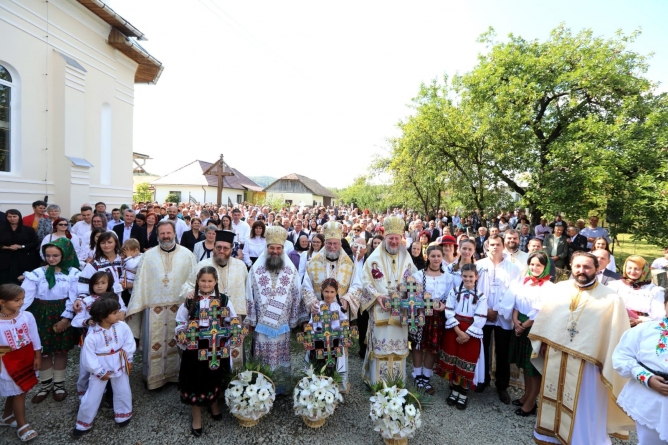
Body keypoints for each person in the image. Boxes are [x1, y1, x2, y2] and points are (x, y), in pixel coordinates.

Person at [529, 252, 633, 444]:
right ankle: (551, 436)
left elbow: (614, 336)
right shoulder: (560, 289)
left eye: (587, 267)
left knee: (584, 405)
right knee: (553, 394)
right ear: (571, 266)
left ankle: (583, 439)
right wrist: (543, 342)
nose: (581, 271)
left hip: (589, 364)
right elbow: (548, 318)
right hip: (556, 356)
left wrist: (605, 359)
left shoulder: (611, 298)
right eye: (577, 266)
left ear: (597, 269)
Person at [126, 220, 197, 390]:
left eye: (168, 233)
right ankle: (154, 379)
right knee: (154, 344)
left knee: (177, 341)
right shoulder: (148, 256)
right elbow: (140, 283)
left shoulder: (188, 255)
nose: (166, 236)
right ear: (157, 235)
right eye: (162, 233)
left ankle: (176, 375)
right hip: (154, 309)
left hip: (178, 308)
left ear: (175, 234)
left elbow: (193, 281)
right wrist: (137, 305)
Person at [176, 266, 236, 437]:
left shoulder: (224, 300)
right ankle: (196, 415)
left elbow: (232, 320)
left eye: (210, 281)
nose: (206, 284)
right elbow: (180, 321)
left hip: (216, 344)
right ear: (197, 281)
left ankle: (214, 403)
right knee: (195, 379)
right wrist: (183, 334)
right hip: (195, 346)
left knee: (214, 375)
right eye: (203, 281)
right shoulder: (190, 301)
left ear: (215, 282)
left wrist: (231, 333)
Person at [301, 221, 362, 391]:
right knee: (318, 347)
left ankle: (338, 384)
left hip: (339, 315)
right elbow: (305, 286)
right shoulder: (313, 262)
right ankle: (314, 382)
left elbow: (357, 286)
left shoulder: (349, 264)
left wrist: (347, 299)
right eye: (329, 243)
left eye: (335, 243)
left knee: (338, 348)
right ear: (324, 243)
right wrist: (312, 301)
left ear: (340, 243)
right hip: (319, 316)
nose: (332, 246)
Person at [21, 238, 80, 403]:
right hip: (40, 314)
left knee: (61, 350)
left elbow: (74, 296)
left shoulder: (73, 273)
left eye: (55, 255)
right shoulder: (37, 273)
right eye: (48, 255)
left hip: (63, 312)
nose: (51, 259)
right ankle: (45, 384)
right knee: (43, 349)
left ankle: (59, 384)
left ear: (64, 254)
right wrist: (17, 316)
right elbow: (25, 297)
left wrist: (66, 318)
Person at [245, 226, 303, 393]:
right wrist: (251, 318)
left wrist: (294, 318)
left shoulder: (291, 269)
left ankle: (280, 387)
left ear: (283, 249)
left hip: (282, 324)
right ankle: (261, 387)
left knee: (281, 355)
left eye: (278, 248)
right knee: (262, 356)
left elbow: (296, 294)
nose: (275, 251)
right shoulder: (256, 269)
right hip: (261, 325)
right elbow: (250, 294)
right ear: (267, 248)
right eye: (272, 248)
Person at [361, 216, 418, 383]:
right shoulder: (373, 259)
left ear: (401, 239)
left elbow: (413, 277)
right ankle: (377, 383)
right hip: (381, 311)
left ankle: (396, 382)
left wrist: (411, 289)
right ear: (385, 237)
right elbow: (365, 282)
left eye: (397, 238)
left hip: (400, 311)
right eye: (391, 238)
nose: (394, 241)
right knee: (380, 347)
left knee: (398, 347)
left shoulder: (406, 257)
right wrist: (377, 296)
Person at [181, 230, 248, 368]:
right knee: (211, 353)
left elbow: (248, 290)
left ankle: (234, 381)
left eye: (225, 248)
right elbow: (187, 284)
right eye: (218, 247)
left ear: (231, 249)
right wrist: (189, 291)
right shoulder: (203, 265)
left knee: (235, 352)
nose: (221, 251)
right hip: (209, 319)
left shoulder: (241, 266)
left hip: (234, 318)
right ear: (214, 247)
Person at [73, 295, 135, 437]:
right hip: (100, 367)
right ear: (102, 316)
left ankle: (123, 414)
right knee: (93, 395)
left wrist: (128, 360)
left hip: (119, 363)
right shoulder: (92, 335)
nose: (119, 315)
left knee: (123, 389)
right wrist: (99, 371)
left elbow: (129, 343)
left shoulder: (122, 326)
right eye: (114, 313)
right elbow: (88, 357)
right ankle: (83, 423)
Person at [612, 291, 668, 444]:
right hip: (648, 400)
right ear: (665, 305)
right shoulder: (644, 330)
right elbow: (621, 357)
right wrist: (646, 378)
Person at [507, 252, 553, 417]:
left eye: (538, 265)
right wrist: (515, 319)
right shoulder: (524, 281)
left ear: (545, 267)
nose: (534, 268)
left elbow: (542, 310)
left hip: (534, 328)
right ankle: (526, 394)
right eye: (532, 264)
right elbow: (517, 302)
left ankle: (532, 401)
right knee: (525, 366)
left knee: (533, 366)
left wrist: (525, 325)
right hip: (519, 323)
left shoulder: (548, 286)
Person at [475, 234, 520, 404]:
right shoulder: (479, 266)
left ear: (503, 246)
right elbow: (474, 287)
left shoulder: (512, 268)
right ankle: (482, 380)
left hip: (503, 316)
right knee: (482, 348)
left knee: (502, 351)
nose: (495, 247)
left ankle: (502, 385)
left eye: (498, 244)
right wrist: (485, 310)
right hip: (483, 314)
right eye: (492, 244)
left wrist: (497, 310)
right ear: (487, 247)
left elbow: (513, 291)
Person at [71, 271, 126, 401]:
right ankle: (84, 393)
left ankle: (107, 393)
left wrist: (119, 316)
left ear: (109, 284)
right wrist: (87, 321)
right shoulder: (86, 301)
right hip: (91, 339)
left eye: (103, 283)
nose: (99, 286)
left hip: (111, 338)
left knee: (110, 365)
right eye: (96, 283)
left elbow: (123, 310)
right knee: (86, 367)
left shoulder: (115, 298)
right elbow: (76, 320)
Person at [440, 263, 487, 410]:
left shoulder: (481, 296)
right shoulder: (454, 292)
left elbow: (480, 317)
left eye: (470, 277)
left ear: (476, 277)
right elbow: (448, 311)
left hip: (471, 333)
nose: (467, 279)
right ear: (461, 276)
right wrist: (459, 331)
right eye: (465, 276)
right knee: (454, 360)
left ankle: (463, 393)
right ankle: (454, 390)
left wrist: (466, 334)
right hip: (455, 330)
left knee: (467, 361)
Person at [0, 284, 41, 442]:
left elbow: (34, 336)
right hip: (8, 361)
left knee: (18, 390)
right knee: (18, 392)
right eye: (17, 300)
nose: (21, 302)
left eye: (23, 299)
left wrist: (37, 355)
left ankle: (7, 416)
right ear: (2, 302)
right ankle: (22, 426)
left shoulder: (26, 316)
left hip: (26, 356)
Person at [411, 245, 451, 395]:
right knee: (418, 344)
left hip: (437, 315)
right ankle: (417, 374)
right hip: (421, 313)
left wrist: (444, 305)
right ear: (428, 257)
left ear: (442, 258)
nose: (436, 259)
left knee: (432, 347)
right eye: (433, 256)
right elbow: (414, 296)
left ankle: (426, 377)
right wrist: (420, 311)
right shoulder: (419, 275)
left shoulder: (448, 277)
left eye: (438, 256)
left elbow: (450, 297)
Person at [304, 279, 349, 387]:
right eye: (326, 291)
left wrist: (345, 338)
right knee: (318, 363)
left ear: (336, 293)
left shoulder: (339, 308)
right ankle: (316, 384)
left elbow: (344, 325)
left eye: (332, 292)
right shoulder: (317, 307)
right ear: (322, 292)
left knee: (333, 363)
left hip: (334, 342)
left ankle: (332, 384)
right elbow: (311, 325)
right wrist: (309, 338)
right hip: (319, 341)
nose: (329, 295)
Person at [607, 255, 665, 324]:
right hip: (616, 324)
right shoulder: (615, 285)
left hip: (642, 326)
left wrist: (639, 321)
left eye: (637, 269)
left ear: (644, 270)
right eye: (629, 268)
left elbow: (659, 315)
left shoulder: (654, 290)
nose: (632, 271)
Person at [78, 232, 124, 299]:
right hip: (106, 300)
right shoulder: (95, 264)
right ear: (99, 245)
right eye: (103, 243)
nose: (106, 245)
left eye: (109, 242)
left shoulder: (124, 260)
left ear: (116, 243)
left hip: (128, 297)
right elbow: (85, 282)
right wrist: (81, 297)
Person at [0, 210, 39, 285]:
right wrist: (6, 247)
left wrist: (21, 246)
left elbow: (34, 243)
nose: (12, 218)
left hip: (24, 259)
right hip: (5, 260)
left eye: (14, 216)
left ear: (19, 217)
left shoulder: (28, 230)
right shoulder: (1, 229)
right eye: (10, 216)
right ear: (6, 218)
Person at [120, 239, 142, 307]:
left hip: (133, 283)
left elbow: (131, 265)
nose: (127, 255)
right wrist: (123, 259)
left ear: (136, 250)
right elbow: (123, 268)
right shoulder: (130, 258)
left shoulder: (140, 257)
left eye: (128, 253)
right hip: (125, 282)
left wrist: (128, 257)